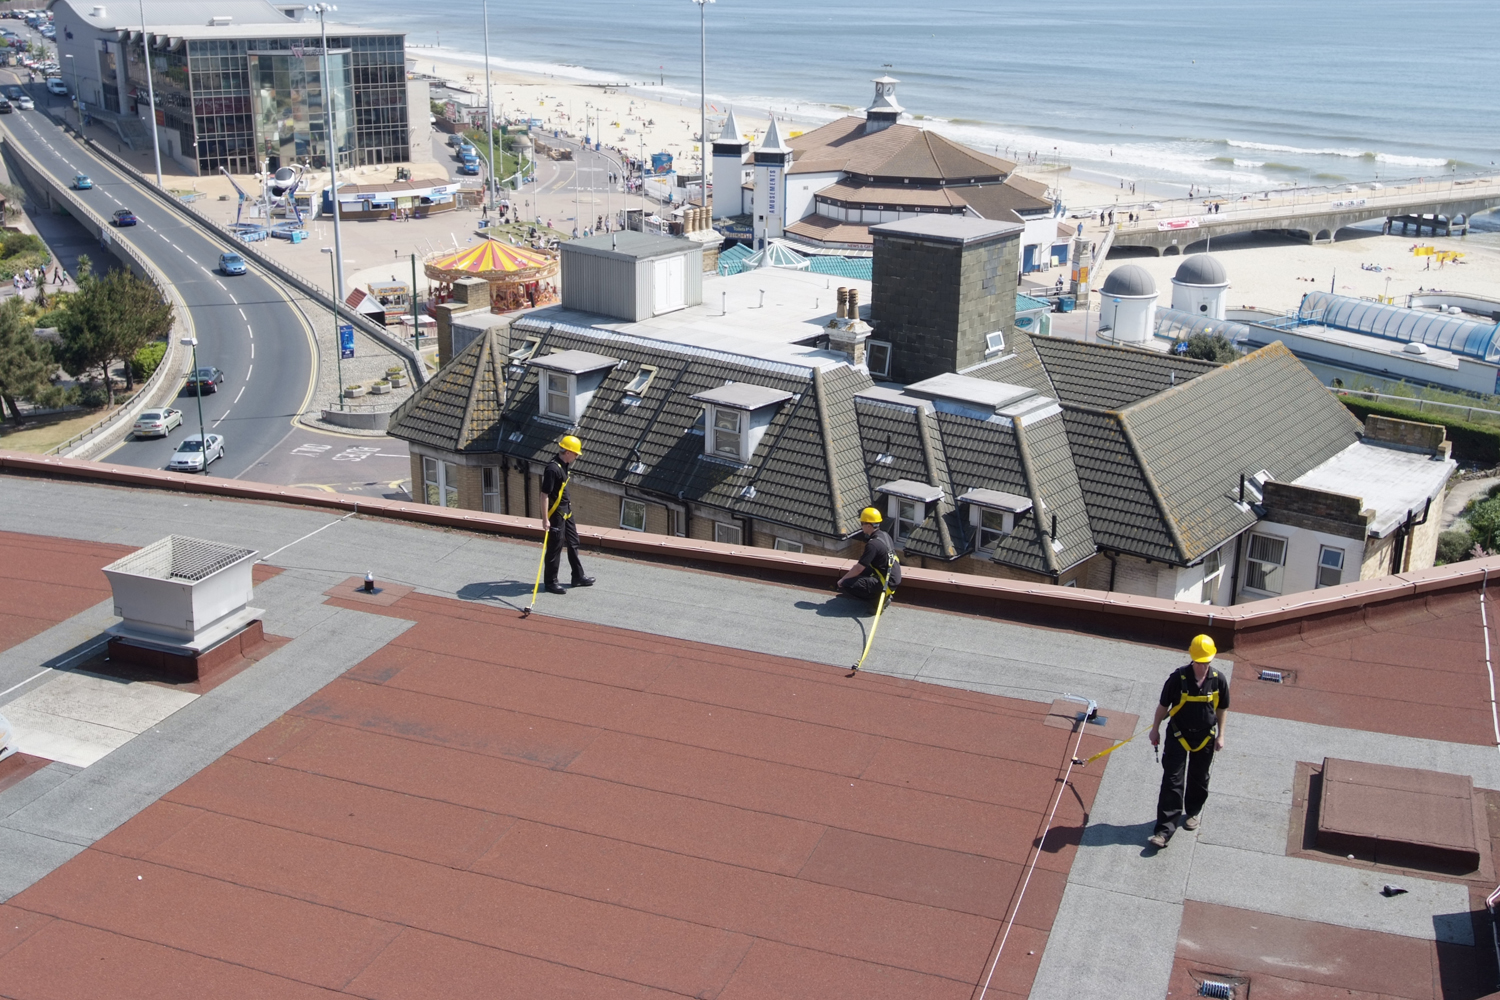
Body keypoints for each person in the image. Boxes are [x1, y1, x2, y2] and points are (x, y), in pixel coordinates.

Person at [1147, 635, 1230, 849]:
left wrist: (1221, 735)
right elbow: (1163, 706)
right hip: (1178, 735)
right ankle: (1164, 831)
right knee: (1172, 781)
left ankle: (1193, 811)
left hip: (1205, 738)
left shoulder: (1218, 679)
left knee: (1199, 778)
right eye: (1200, 661)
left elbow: (1222, 708)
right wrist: (1155, 730)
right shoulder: (1177, 679)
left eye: (1206, 661)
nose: (1203, 665)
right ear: (1193, 658)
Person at [539, 434, 594, 595]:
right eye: (576, 453)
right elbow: (544, 495)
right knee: (555, 548)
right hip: (556, 514)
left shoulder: (564, 465)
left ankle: (577, 576)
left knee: (573, 542)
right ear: (568, 452)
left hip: (567, 511)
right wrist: (545, 520)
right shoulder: (553, 469)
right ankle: (550, 582)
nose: (577, 456)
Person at [835, 507, 901, 603]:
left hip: (886, 583)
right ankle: (879, 594)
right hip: (892, 578)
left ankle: (877, 600)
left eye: (862, 523)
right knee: (860, 571)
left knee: (847, 583)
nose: (861, 526)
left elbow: (859, 568)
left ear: (869, 526)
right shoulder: (885, 535)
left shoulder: (872, 544)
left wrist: (842, 579)